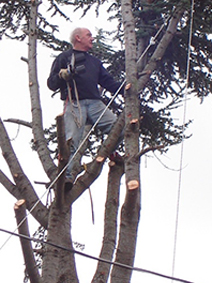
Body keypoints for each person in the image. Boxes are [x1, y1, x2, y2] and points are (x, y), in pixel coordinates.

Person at [47, 27, 124, 189]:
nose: (92, 38)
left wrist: (125, 88)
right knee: (71, 141)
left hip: (95, 103)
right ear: (78, 38)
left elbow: (108, 82)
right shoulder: (64, 57)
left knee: (118, 128)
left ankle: (110, 152)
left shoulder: (94, 62)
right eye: (88, 35)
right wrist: (62, 76)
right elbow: (51, 83)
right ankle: (67, 178)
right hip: (74, 103)